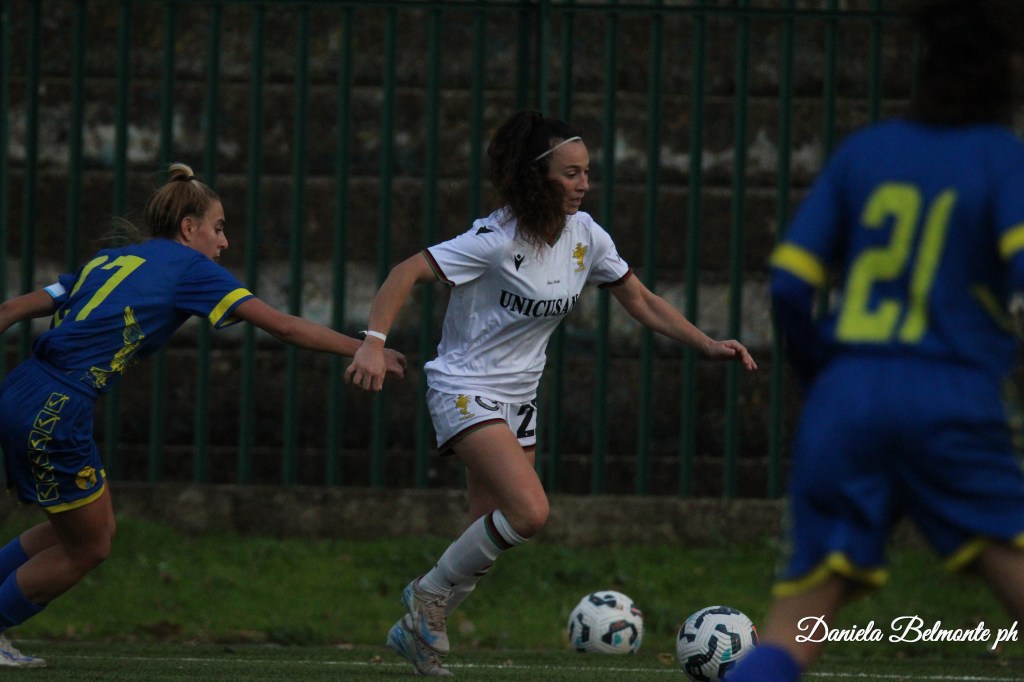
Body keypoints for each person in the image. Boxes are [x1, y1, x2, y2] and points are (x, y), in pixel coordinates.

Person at [344, 110, 757, 676]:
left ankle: (417, 631)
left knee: (486, 528)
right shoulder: (494, 239)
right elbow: (404, 273)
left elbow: (640, 300)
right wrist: (372, 343)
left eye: (586, 172)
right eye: (571, 174)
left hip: (520, 397)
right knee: (530, 512)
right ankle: (426, 596)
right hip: (464, 386)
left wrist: (705, 343)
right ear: (536, 177)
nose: (584, 184)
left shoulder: (587, 235)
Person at [0, 162, 407, 667]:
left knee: (77, 528)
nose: (224, 242)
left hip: (22, 388)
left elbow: (10, 310)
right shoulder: (192, 270)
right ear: (188, 227)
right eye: (218, 228)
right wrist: (364, 347)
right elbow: (282, 326)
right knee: (90, 547)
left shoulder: (111, 259)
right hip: (58, 408)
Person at [728, 1, 1024, 679]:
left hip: (847, 400)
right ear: (1006, 74)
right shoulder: (1003, 159)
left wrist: (822, 377)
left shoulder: (866, 151)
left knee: (794, 626)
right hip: (951, 395)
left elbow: (789, 285)